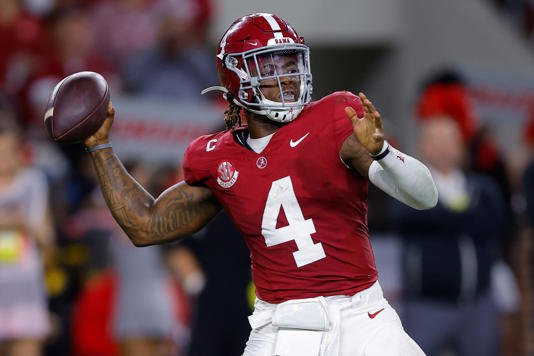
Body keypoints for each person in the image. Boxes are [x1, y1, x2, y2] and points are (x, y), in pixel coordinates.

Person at [81, 13, 438, 356]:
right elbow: (146, 226)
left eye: (289, 64)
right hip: (281, 326)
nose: (287, 78)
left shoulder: (336, 117)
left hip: (361, 317)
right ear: (236, 78)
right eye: (268, 68)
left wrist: (384, 152)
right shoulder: (217, 157)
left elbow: (425, 197)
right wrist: (100, 146)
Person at [392, 117, 506, 356]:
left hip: (478, 305)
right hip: (428, 305)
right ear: (423, 145)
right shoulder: (408, 187)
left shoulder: (482, 188)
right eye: (438, 140)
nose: (445, 146)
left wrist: (443, 218)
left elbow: (498, 224)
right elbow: (404, 217)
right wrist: (462, 218)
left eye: (450, 140)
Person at [0, 110, 54, 356]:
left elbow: (47, 240)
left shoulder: (33, 182)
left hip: (25, 288)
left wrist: (23, 224)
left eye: (8, 152)